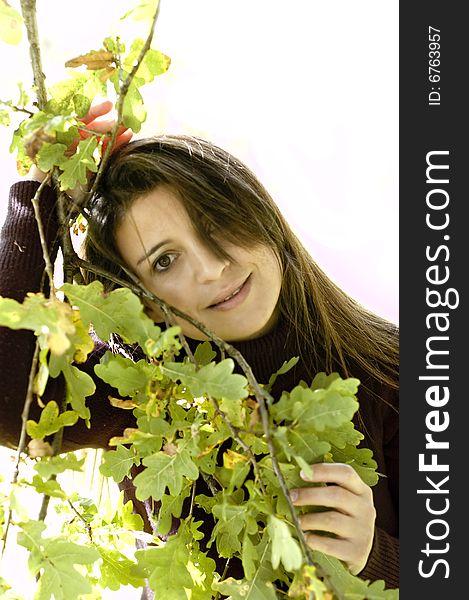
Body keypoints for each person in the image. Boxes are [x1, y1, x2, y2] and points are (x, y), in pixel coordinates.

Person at [0, 101, 399, 593]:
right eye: (165, 261)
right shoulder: (144, 400)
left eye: (217, 222)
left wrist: (374, 555)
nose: (212, 267)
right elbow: (5, 395)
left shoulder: (394, 370)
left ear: (259, 214)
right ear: (143, 306)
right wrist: (40, 201)